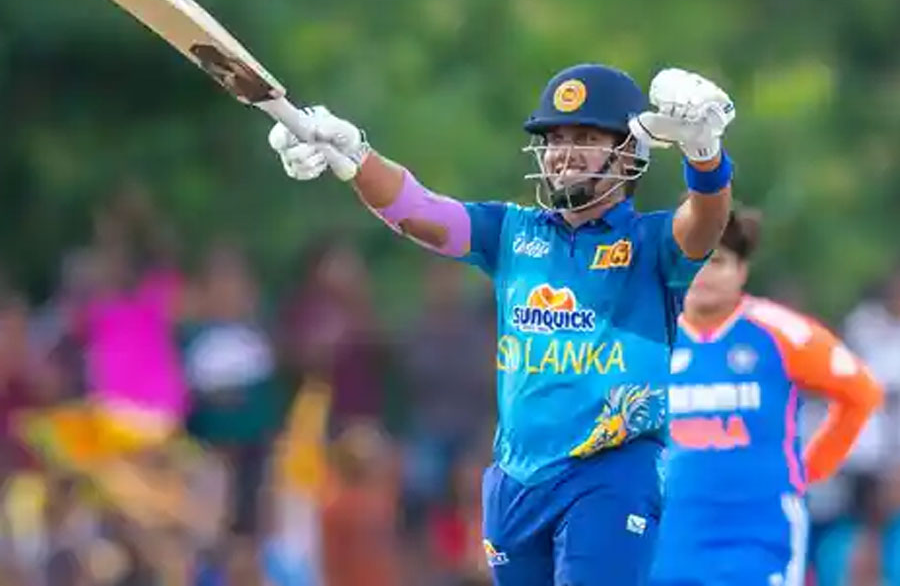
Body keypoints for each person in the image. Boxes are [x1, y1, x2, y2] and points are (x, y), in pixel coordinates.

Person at [268, 63, 736, 586]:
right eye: (555, 138)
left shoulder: (651, 244)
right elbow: (416, 209)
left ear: (629, 152)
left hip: (611, 468)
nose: (564, 152)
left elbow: (707, 222)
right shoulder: (513, 233)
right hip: (517, 480)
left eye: (586, 138)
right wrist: (355, 157)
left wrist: (704, 154)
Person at [651, 208, 884, 586]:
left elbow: (861, 392)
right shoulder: (649, 333)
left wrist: (810, 470)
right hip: (672, 532)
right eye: (694, 260)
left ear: (742, 270)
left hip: (759, 529)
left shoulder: (780, 331)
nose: (703, 273)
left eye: (718, 262)